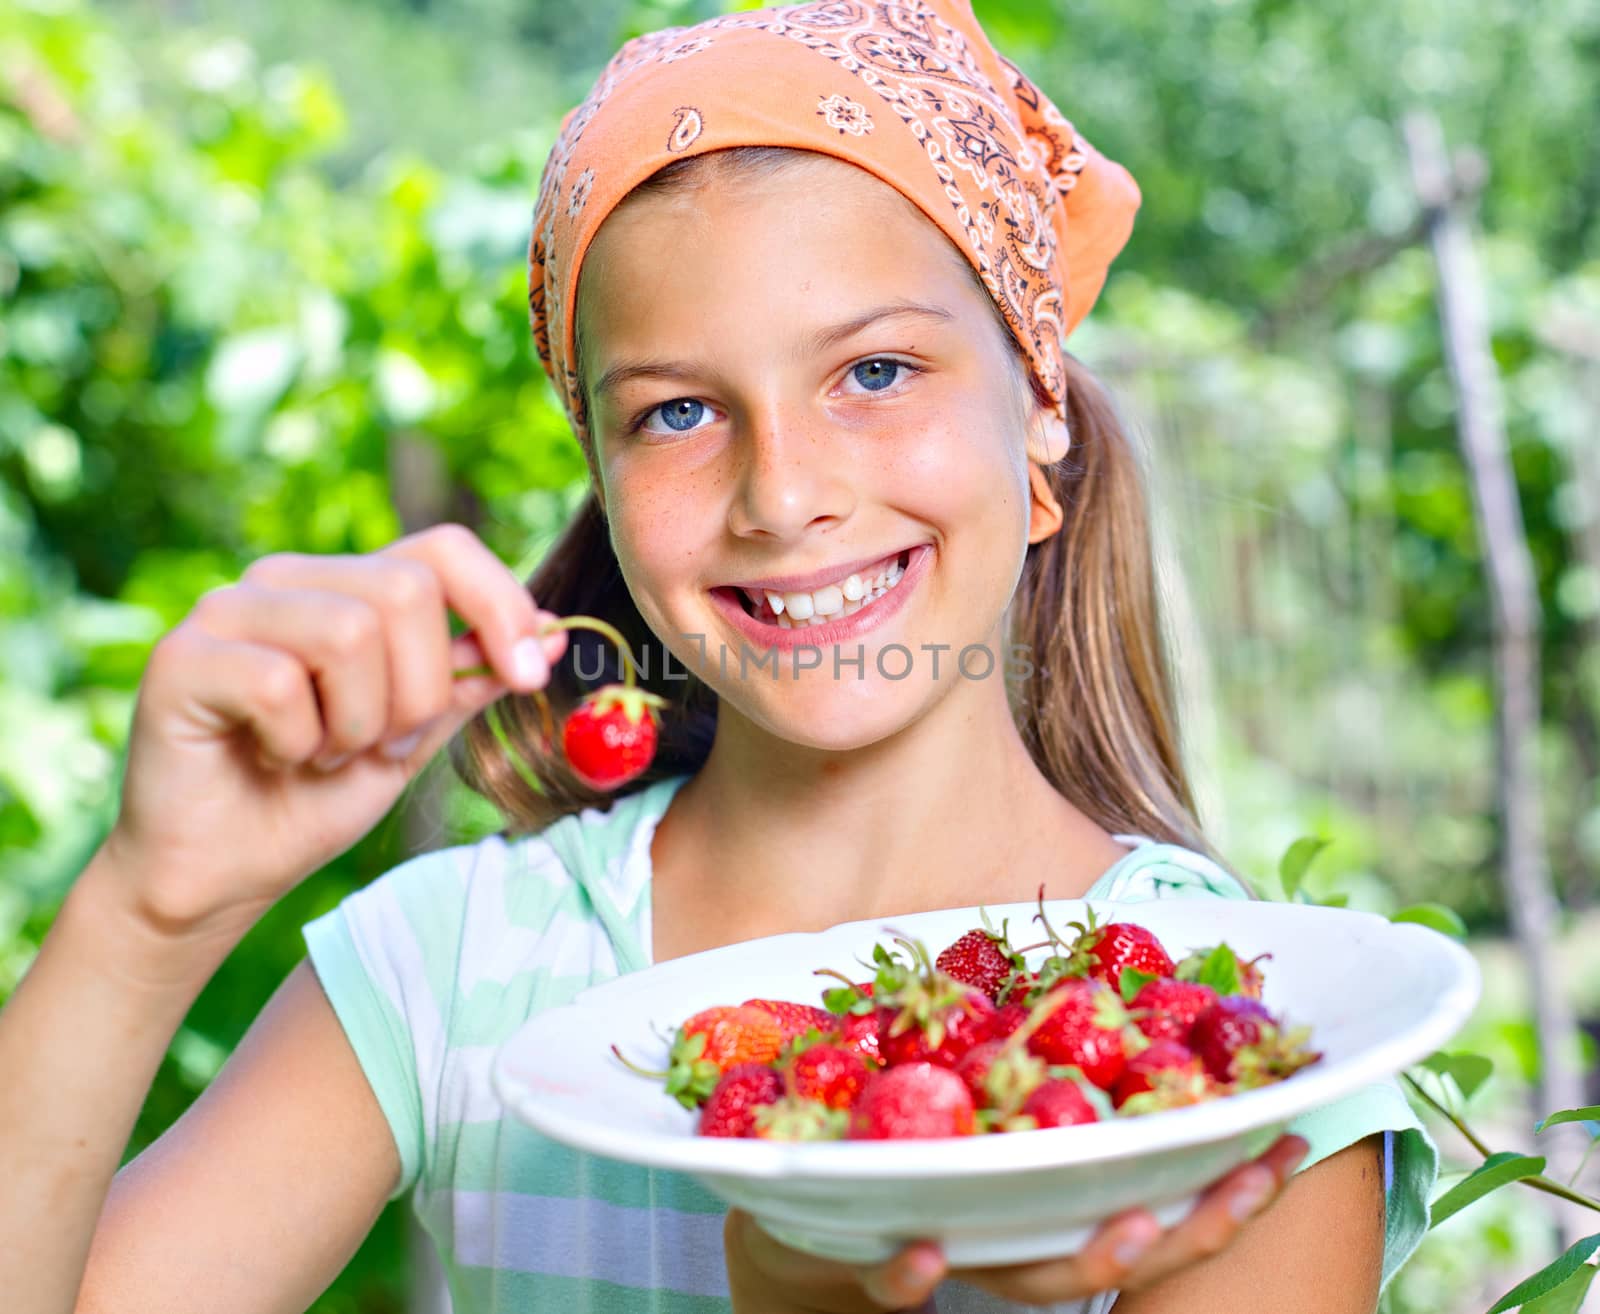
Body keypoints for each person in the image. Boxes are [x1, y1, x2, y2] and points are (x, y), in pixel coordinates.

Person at [0, 3, 1438, 1312]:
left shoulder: (1234, 1028)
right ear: (606, 487)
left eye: (875, 372)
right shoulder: (461, 967)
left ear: (1040, 420)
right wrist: (146, 911)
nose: (782, 493)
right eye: (679, 412)